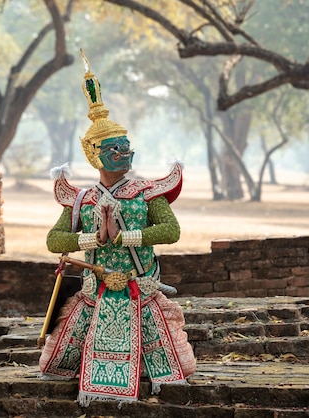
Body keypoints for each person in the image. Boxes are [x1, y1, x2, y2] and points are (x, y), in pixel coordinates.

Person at [39, 49, 196, 406]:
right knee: (63, 356)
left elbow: (171, 231)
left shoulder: (146, 193)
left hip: (140, 287)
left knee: (162, 360)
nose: (125, 152)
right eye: (116, 147)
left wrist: (126, 236)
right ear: (95, 154)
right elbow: (53, 240)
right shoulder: (81, 200)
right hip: (94, 290)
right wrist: (92, 237)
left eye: (127, 146)